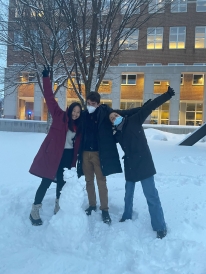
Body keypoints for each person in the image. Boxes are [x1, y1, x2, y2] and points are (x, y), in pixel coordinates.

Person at [108, 86, 175, 238]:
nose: (114, 118)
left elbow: (151, 106)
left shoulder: (134, 119)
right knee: (128, 194)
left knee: (151, 195)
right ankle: (126, 216)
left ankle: (160, 226)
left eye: (115, 115)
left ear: (120, 114)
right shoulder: (116, 134)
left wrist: (167, 95)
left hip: (144, 162)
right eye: (111, 119)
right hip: (130, 165)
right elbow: (105, 142)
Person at [29, 66, 82, 226]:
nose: (75, 114)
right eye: (74, 111)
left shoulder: (79, 126)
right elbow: (49, 97)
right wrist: (46, 78)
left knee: (62, 183)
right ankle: (35, 210)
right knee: (45, 181)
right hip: (53, 155)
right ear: (70, 110)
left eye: (78, 112)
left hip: (67, 157)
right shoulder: (59, 115)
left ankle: (58, 206)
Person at [77, 92, 122, 224]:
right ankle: (92, 205)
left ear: (98, 104)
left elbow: (114, 115)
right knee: (89, 181)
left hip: (98, 154)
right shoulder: (84, 115)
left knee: (101, 181)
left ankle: (105, 209)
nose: (90, 106)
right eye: (89, 103)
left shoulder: (104, 113)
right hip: (85, 153)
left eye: (93, 104)